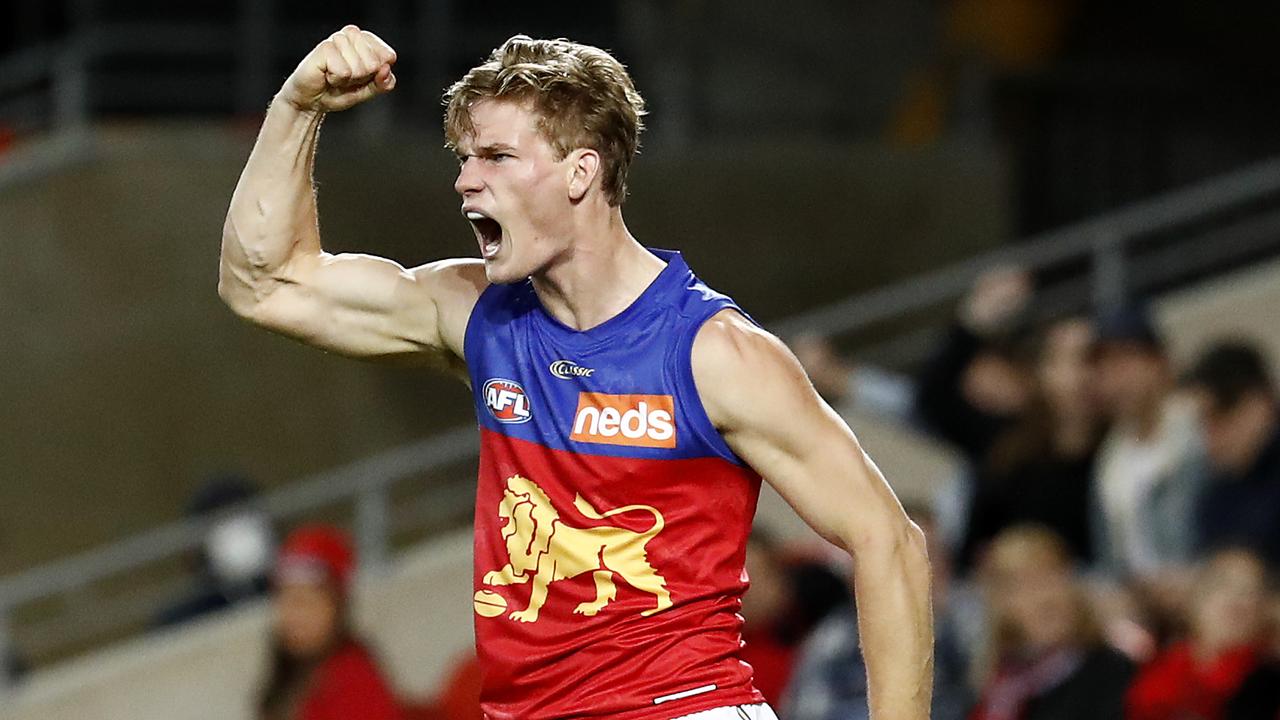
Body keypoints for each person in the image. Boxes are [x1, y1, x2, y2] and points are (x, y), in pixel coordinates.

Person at [218, 26, 932, 720]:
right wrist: (296, 106)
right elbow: (264, 283)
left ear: (581, 173)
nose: (466, 181)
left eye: (496, 156)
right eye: (465, 158)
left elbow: (889, 541)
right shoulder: (480, 317)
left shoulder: (715, 353)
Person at [783, 504, 974, 720]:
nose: (918, 569)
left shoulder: (966, 636)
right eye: (897, 557)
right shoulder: (835, 636)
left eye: (930, 556)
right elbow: (805, 709)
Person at [960, 317, 1101, 569]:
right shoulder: (1009, 457)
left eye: (1096, 361)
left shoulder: (1119, 451)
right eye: (1076, 360)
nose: (1086, 376)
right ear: (1042, 371)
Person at [968, 525, 1134, 720]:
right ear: (1000, 603)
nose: (1045, 598)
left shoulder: (1112, 672)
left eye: (1052, 577)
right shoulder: (996, 686)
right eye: (1026, 586)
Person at [1090, 306, 1205, 580]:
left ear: (1160, 362)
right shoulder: (1107, 461)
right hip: (1140, 604)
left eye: (1126, 362)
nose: (1117, 379)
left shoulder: (1201, 432)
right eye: (1104, 367)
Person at [258, 524, 403, 720]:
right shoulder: (290, 673)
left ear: (337, 608)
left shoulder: (355, 681)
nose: (294, 615)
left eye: (307, 602)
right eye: (286, 599)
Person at [1126, 547, 1274, 720]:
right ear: (1196, 598)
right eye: (1224, 585)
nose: (1237, 598)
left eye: (1250, 591)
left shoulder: (1266, 677)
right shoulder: (1160, 666)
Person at [1184, 341, 1280, 565]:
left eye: (1218, 417)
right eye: (1202, 423)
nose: (1209, 436)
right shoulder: (1215, 496)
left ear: (1259, 403)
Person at [155, 473, 275, 628]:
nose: (238, 534)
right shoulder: (181, 618)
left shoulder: (292, 586)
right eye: (224, 522)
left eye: (241, 517)